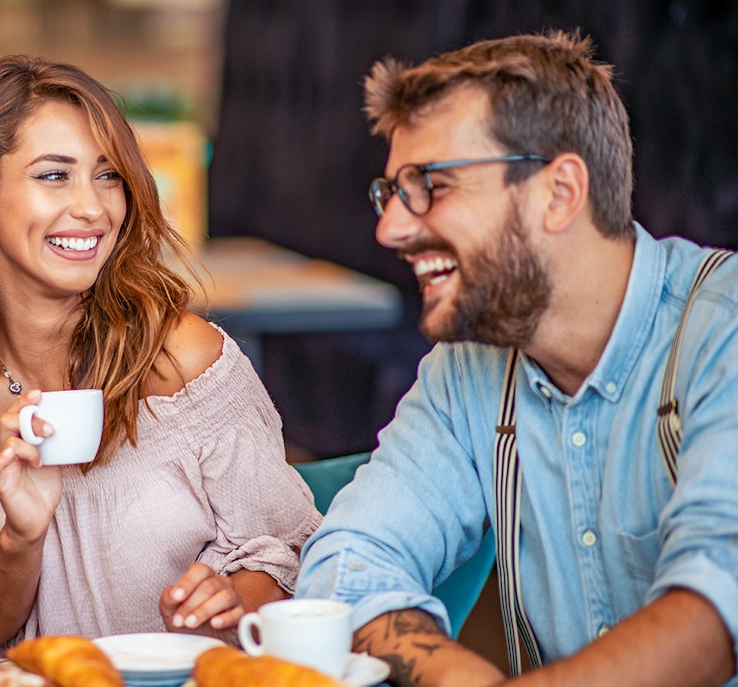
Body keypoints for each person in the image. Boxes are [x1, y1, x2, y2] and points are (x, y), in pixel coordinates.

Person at [296, 31, 738, 687]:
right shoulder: (468, 369)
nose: (390, 228)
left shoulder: (720, 333)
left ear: (559, 193)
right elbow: (349, 557)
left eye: (433, 184)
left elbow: (718, 609)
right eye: (392, 191)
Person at [0, 54, 321, 648]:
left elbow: (289, 558)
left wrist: (234, 599)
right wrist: (18, 542)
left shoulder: (184, 360)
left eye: (108, 176)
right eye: (54, 175)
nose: (94, 207)